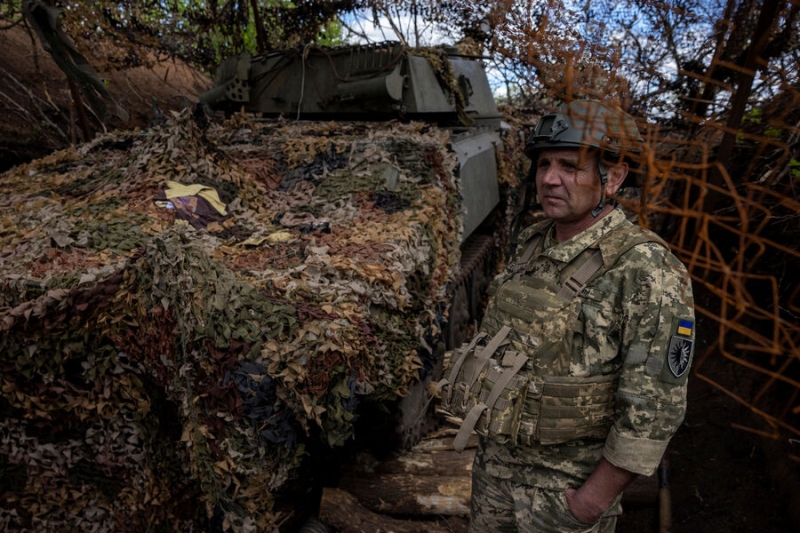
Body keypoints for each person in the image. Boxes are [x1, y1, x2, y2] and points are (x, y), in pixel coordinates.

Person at [455, 100, 695, 532]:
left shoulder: (647, 269)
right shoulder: (532, 243)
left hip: (564, 494)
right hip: (496, 477)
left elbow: (654, 407)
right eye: (544, 163)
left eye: (570, 165)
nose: (549, 178)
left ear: (614, 176)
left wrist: (588, 503)